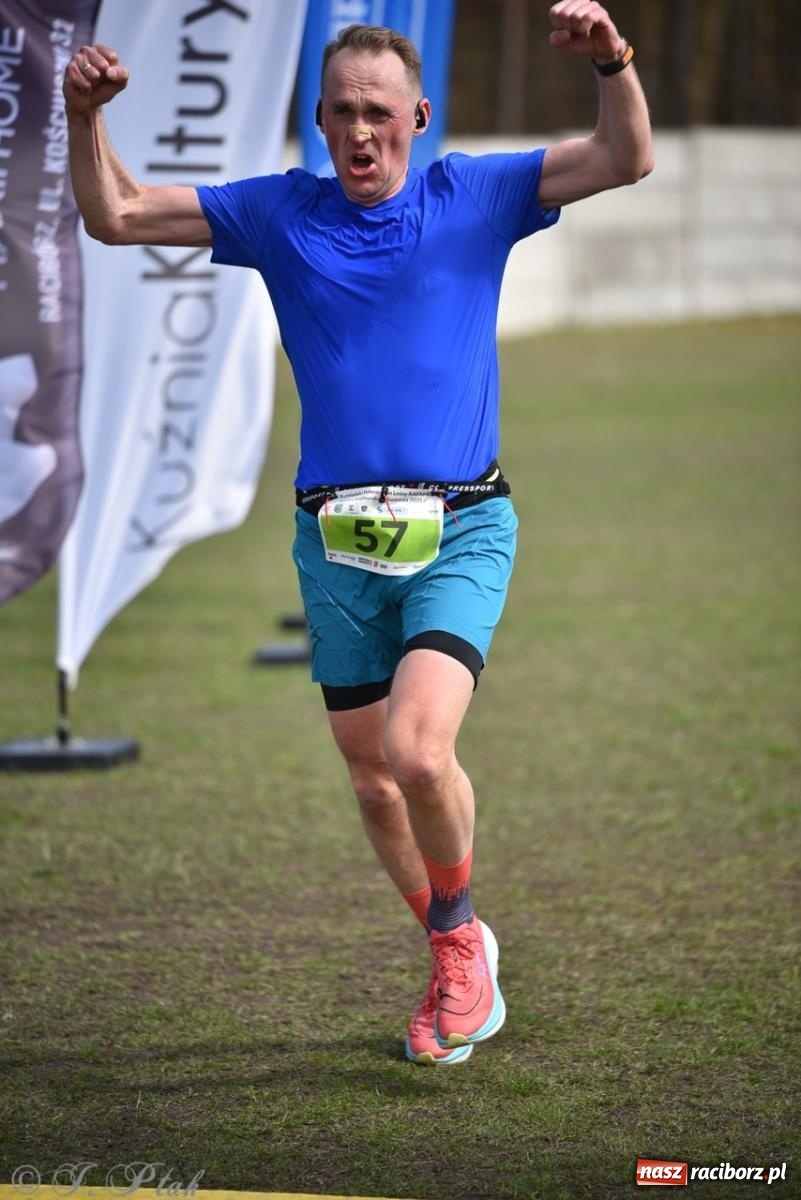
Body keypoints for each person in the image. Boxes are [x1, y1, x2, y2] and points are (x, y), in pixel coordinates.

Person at [63, 0, 652, 1066]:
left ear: (417, 117)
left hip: (463, 524)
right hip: (334, 543)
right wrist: (82, 115)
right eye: (342, 111)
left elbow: (624, 158)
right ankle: (453, 944)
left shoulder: (473, 194)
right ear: (321, 122)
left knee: (417, 750)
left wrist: (612, 60)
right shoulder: (279, 213)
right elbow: (118, 214)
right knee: (373, 777)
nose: (361, 129)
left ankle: (460, 948)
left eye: (379, 111)